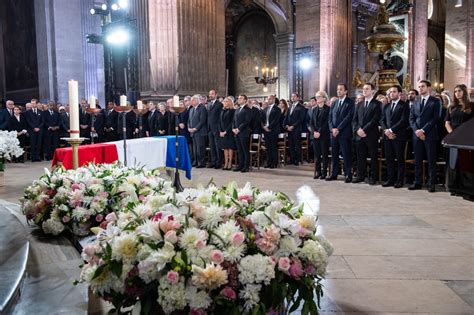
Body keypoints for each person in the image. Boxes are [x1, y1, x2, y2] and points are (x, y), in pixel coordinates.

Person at [408, 80, 441, 192]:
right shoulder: (416, 102)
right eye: (419, 86)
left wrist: (423, 130)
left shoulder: (435, 101)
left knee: (431, 160)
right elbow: (411, 118)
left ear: (429, 88)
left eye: (423, 86)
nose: (420, 88)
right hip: (416, 135)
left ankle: (431, 183)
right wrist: (417, 130)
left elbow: (435, 118)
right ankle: (417, 182)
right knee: (417, 160)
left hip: (430, 135)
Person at [445, 84, 473, 194]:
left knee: (465, 163)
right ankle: (453, 187)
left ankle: (465, 188)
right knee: (453, 163)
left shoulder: (471, 106)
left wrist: (460, 135)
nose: (457, 93)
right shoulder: (452, 107)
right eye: (455, 91)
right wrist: (453, 134)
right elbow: (447, 122)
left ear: (464, 92)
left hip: (466, 139)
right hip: (453, 139)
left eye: (460, 91)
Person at [352, 83, 382, 185]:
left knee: (373, 157)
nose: (364, 91)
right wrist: (358, 130)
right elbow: (354, 120)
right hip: (359, 135)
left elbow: (375, 119)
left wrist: (364, 130)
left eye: (367, 89)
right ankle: (361, 175)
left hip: (371, 135)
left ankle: (373, 177)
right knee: (360, 157)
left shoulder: (377, 104)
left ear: (372, 91)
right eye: (363, 89)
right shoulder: (359, 104)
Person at [380, 85, 409, 188]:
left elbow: (404, 120)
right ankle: (390, 179)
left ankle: (400, 180)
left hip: (399, 136)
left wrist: (391, 130)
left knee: (400, 159)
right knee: (389, 159)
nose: (392, 94)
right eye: (390, 92)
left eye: (394, 92)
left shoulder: (404, 105)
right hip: (388, 137)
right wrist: (386, 131)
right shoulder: (386, 106)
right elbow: (382, 120)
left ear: (399, 93)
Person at [327, 84, 355, 182]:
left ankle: (348, 174)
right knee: (334, 154)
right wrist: (332, 129)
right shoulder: (334, 103)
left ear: (346, 91)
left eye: (341, 89)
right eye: (337, 89)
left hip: (344, 133)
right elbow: (330, 117)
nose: (338, 91)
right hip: (334, 133)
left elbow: (348, 118)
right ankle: (334, 173)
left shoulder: (350, 103)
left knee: (346, 154)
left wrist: (338, 129)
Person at [311, 91, 330, 179]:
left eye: (319, 97)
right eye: (316, 97)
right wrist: (314, 132)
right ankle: (318, 172)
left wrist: (319, 132)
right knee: (317, 155)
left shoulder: (328, 109)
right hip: (315, 135)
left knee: (324, 154)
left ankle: (324, 173)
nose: (317, 98)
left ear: (324, 98)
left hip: (323, 135)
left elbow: (326, 122)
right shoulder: (314, 109)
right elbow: (311, 123)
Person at [284, 93, 306, 165]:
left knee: (297, 145)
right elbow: (287, 117)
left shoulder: (301, 107)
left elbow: (301, 119)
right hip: (289, 129)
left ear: (298, 98)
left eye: (294, 96)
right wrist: (286, 125)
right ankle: (292, 159)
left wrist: (293, 126)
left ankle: (297, 160)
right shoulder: (290, 107)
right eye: (291, 96)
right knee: (291, 145)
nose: (292, 98)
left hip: (296, 129)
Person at [232, 94, 252, 172]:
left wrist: (239, 129)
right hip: (236, 133)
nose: (239, 99)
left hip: (244, 132)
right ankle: (240, 165)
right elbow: (233, 120)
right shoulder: (237, 109)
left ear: (245, 100)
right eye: (238, 98)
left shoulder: (248, 110)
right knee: (239, 150)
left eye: (241, 98)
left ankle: (246, 166)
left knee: (245, 150)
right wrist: (233, 128)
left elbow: (246, 121)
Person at [188, 94, 208, 168]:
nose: (191, 101)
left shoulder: (202, 108)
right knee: (195, 148)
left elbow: (202, 121)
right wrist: (189, 128)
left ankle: (201, 162)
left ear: (197, 100)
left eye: (193, 100)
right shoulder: (191, 109)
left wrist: (195, 128)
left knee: (200, 148)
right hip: (192, 132)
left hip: (200, 132)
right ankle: (195, 161)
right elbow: (189, 121)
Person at [262, 94, 281, 169]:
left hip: (273, 130)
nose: (268, 100)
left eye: (270, 99)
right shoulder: (265, 109)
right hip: (266, 130)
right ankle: (269, 162)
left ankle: (274, 163)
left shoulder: (277, 109)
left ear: (273, 99)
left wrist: (269, 127)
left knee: (273, 147)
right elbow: (262, 119)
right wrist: (264, 127)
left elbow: (275, 120)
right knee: (268, 147)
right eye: (267, 99)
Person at [218, 97, 237, 170]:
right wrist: (220, 131)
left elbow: (232, 122)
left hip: (229, 132)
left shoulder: (232, 111)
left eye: (226, 101)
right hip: (222, 132)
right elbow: (219, 122)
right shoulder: (222, 110)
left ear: (229, 102)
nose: (224, 102)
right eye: (224, 101)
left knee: (230, 148)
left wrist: (226, 131)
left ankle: (230, 163)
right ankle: (225, 163)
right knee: (225, 148)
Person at [207, 89, 223, 168]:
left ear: (216, 95)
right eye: (210, 94)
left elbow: (220, 118)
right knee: (212, 146)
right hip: (210, 128)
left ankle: (218, 162)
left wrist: (220, 129)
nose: (210, 95)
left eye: (212, 94)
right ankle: (213, 162)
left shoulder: (219, 104)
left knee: (217, 146)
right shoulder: (209, 104)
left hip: (216, 128)